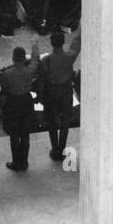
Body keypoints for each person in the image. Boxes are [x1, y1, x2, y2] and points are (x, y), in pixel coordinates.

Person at [35, 28, 80, 161]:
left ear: (51, 43)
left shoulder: (46, 60)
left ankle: (55, 149)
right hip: (65, 92)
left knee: (52, 121)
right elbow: (77, 44)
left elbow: (40, 77)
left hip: (51, 92)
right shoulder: (69, 57)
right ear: (63, 42)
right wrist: (80, 29)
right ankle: (62, 148)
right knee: (65, 121)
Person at [0, 42, 39, 170]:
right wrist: (34, 45)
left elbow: (4, 93)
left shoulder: (6, 74)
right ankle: (24, 162)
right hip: (26, 101)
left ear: (13, 58)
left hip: (13, 103)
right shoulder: (29, 71)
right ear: (24, 58)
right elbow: (35, 60)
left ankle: (16, 162)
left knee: (14, 134)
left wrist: (0, 106)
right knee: (25, 134)